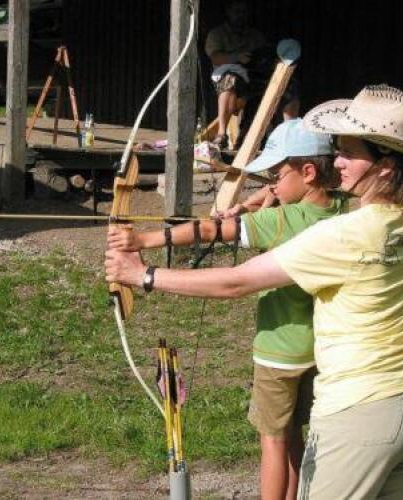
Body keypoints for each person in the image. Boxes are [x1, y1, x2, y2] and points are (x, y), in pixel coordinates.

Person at [106, 84, 403, 499]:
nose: (337, 162)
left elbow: (236, 282)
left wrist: (142, 275)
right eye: (337, 150)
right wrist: (267, 193)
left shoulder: (344, 234)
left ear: (387, 167)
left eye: (349, 153)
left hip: (363, 415)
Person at [110, 119, 345, 499]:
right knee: (293, 434)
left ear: (308, 172)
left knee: (272, 440)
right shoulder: (342, 210)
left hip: (278, 353)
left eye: (276, 174)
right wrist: (259, 201)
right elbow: (290, 197)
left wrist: (141, 240)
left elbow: (208, 231)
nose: (271, 184)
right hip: (316, 350)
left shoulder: (282, 220)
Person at [204, 0, 266, 149]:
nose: (240, 15)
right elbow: (215, 57)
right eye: (237, 12)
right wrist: (237, 57)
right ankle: (221, 134)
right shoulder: (217, 34)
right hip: (227, 76)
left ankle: (249, 137)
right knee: (229, 79)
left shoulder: (255, 35)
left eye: (243, 12)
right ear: (228, 13)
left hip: (253, 76)